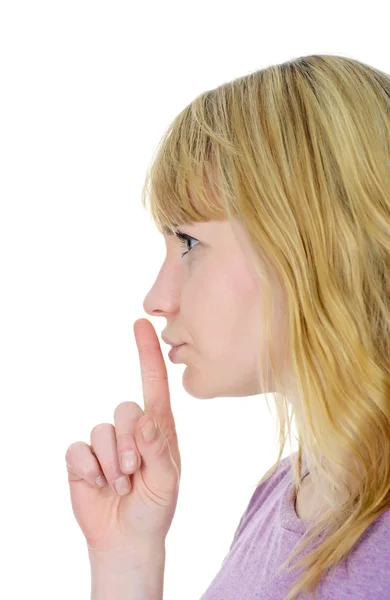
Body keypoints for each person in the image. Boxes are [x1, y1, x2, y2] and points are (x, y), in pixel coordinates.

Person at [65, 53, 390, 599]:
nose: (156, 298)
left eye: (189, 243)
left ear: (312, 243)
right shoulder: (281, 495)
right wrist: (126, 562)